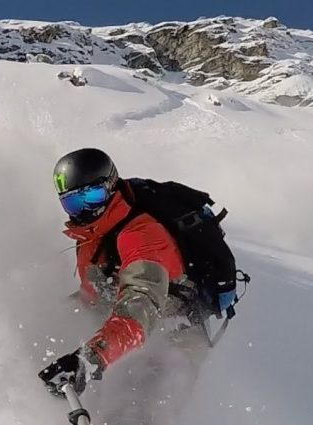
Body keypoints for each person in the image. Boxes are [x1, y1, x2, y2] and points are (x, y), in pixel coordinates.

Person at [38, 148, 214, 396]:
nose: (85, 210)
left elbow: (140, 306)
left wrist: (88, 359)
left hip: (177, 336)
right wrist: (51, 315)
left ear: (111, 186)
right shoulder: (92, 236)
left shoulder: (141, 236)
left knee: (136, 409)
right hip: (129, 335)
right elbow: (94, 296)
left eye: (93, 196)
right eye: (73, 203)